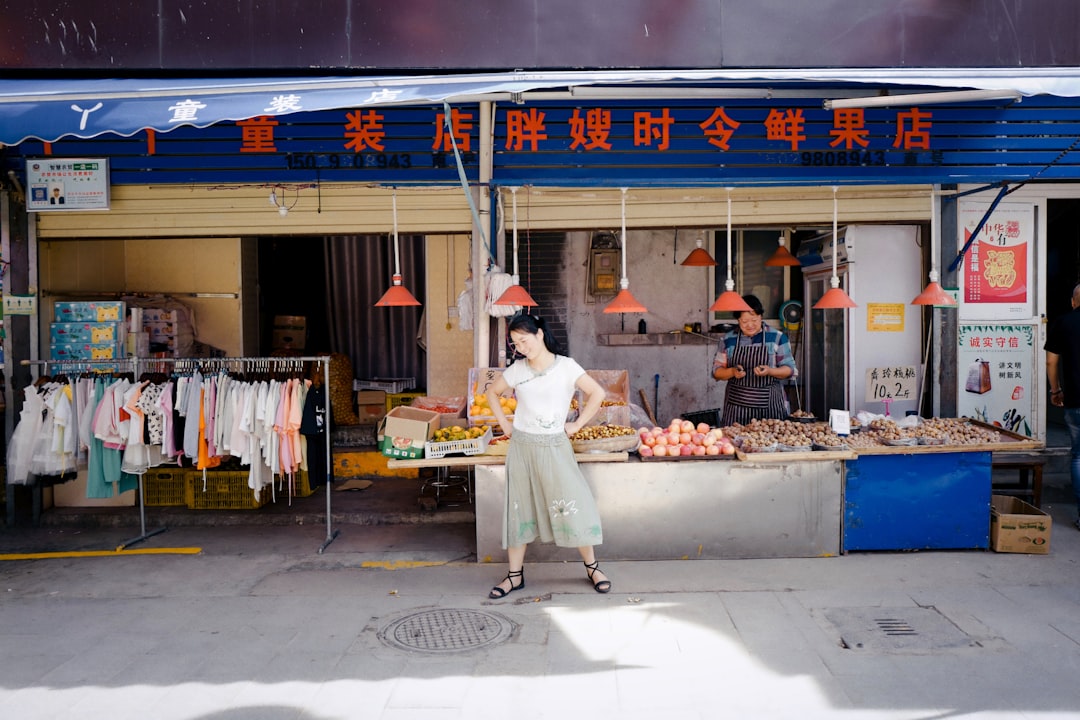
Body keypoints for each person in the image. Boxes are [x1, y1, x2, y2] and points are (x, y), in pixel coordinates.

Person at [484, 312, 612, 598]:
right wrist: (505, 423)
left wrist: (577, 424)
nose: (521, 347)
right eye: (516, 343)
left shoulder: (566, 367)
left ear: (540, 334)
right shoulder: (517, 369)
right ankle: (514, 576)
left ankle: (592, 568)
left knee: (573, 502)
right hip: (522, 448)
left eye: (524, 340)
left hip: (555, 446)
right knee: (519, 510)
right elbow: (493, 393)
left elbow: (598, 393)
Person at [712, 294, 797, 426]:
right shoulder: (728, 340)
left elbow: (790, 370)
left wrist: (770, 371)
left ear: (761, 316)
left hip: (771, 408)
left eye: (754, 320)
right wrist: (732, 372)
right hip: (737, 410)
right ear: (738, 320)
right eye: (745, 322)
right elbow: (717, 372)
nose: (750, 325)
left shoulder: (777, 337)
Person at [1044, 282, 1080, 531]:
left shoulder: (1065, 322)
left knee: (1078, 456)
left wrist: (1055, 390)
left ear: (1073, 301)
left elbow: (1050, 362)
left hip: (1076, 401)